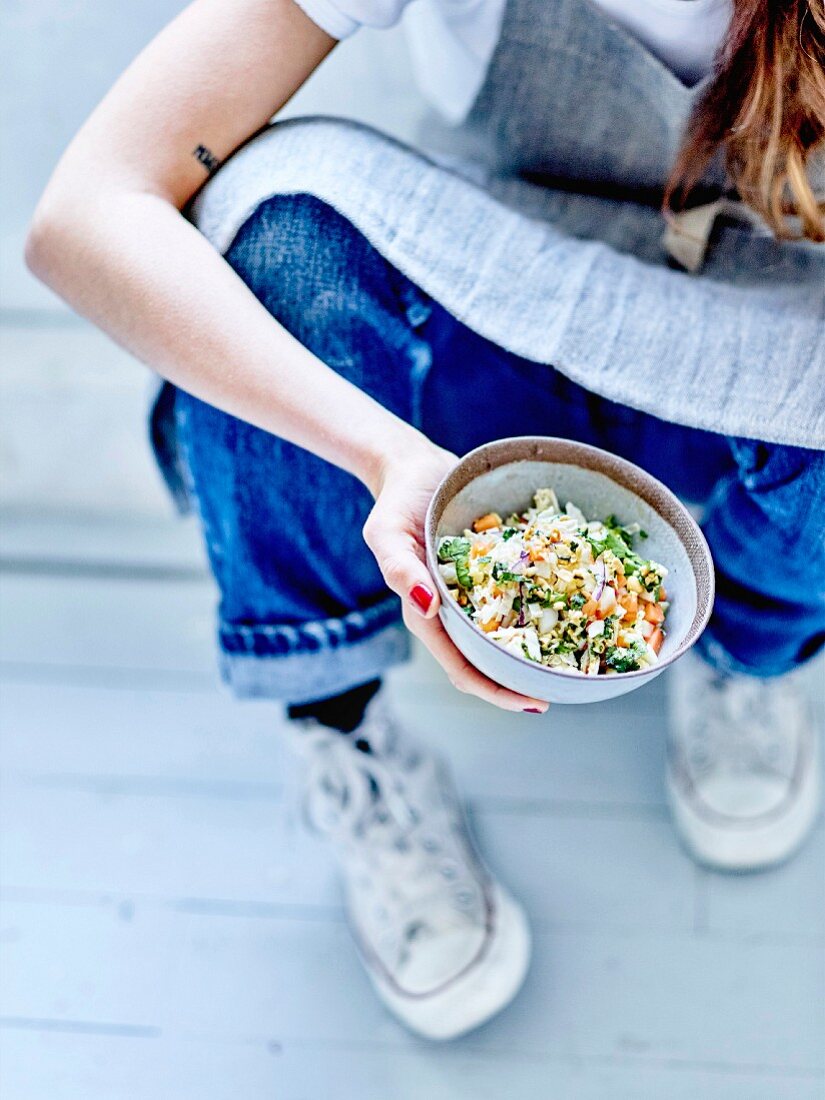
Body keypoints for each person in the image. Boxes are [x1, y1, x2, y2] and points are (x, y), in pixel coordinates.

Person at [26, 0, 824, 1041]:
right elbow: (86, 214)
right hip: (505, 281)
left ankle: (747, 646)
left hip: (758, 314)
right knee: (273, 235)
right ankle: (342, 726)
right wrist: (386, 455)